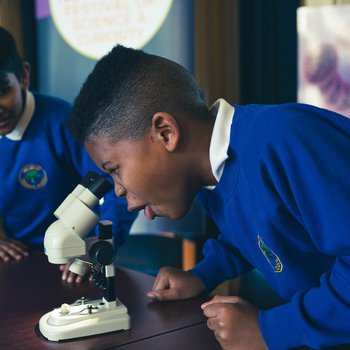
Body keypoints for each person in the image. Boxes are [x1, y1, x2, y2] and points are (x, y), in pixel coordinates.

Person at [67, 43, 350, 350]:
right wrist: (203, 275)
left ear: (165, 133)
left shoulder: (287, 139)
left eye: (115, 169)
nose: (118, 190)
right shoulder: (208, 177)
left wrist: (272, 330)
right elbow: (256, 230)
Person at [0, 27, 136, 283]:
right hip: (18, 262)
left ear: (24, 77)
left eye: (2, 91)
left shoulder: (65, 124)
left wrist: (96, 246)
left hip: (73, 261)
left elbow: (121, 188)